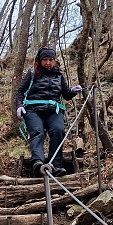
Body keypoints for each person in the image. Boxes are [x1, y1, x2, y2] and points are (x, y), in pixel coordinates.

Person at [14, 46, 83, 177]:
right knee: (37, 132)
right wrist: (19, 106)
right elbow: (20, 92)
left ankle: (55, 165)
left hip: (53, 110)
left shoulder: (58, 75)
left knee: (58, 131)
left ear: (54, 60)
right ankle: (38, 164)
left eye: (51, 59)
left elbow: (66, 94)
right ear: (39, 60)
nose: (48, 63)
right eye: (45, 59)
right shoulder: (32, 73)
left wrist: (72, 91)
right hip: (33, 110)